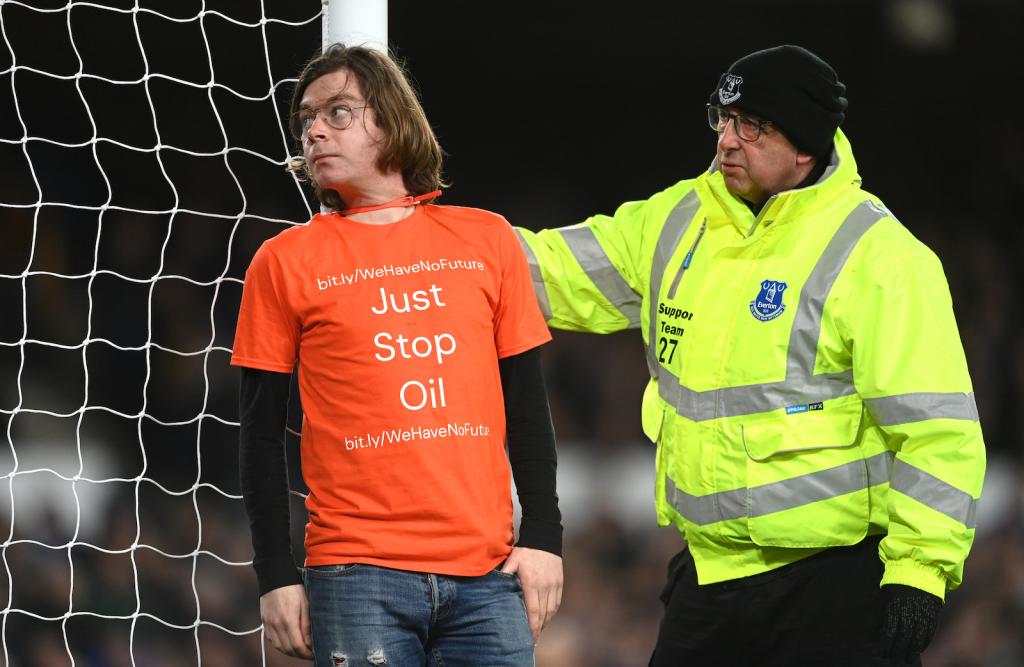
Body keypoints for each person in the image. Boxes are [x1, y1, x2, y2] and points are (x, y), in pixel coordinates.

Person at [517, 44, 985, 666]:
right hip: (708, 581)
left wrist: (921, 572)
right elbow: (548, 269)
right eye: (723, 119)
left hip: (835, 587)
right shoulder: (680, 219)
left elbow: (938, 433)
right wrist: (433, 248)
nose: (727, 142)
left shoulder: (883, 259)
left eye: (753, 126)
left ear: (806, 147)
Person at [231, 44, 562, 666]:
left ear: (390, 118)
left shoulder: (487, 238)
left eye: (337, 113)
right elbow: (259, 436)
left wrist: (545, 537)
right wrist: (275, 574)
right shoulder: (282, 261)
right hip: (354, 575)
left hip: (490, 575)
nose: (314, 131)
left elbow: (527, 403)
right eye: (306, 119)